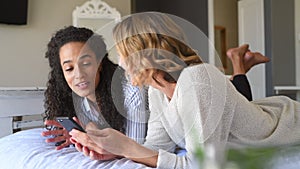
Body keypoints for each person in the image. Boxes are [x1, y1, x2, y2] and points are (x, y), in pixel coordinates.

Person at [69, 12, 300, 168]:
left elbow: (204, 164)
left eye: (121, 52)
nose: (118, 62)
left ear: (142, 53)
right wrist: (116, 150)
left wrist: (128, 147)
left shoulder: (197, 80)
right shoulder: (157, 90)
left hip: (289, 125)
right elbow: (158, 147)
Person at [41, 26, 148, 153]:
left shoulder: (132, 92)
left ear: (100, 63)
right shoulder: (73, 100)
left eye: (86, 64)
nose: (79, 75)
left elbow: (135, 148)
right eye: (69, 68)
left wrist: (91, 138)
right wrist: (78, 136)